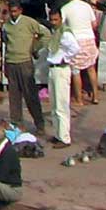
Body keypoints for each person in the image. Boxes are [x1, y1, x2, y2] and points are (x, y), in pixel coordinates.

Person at [1, 3, 47, 130]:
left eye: (15, 11)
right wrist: (5, 64)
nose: (13, 14)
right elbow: (6, 44)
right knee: (14, 96)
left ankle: (39, 123)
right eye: (11, 11)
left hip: (25, 62)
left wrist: (35, 48)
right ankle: (16, 124)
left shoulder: (29, 22)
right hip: (11, 62)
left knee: (30, 94)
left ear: (20, 10)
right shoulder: (6, 25)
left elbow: (45, 35)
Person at [41, 9, 78, 144]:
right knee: (54, 105)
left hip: (61, 70)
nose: (53, 23)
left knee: (61, 105)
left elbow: (75, 48)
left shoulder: (65, 33)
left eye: (56, 20)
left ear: (61, 19)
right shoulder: (55, 33)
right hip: (53, 69)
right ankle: (58, 134)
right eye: (51, 20)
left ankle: (64, 138)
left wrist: (65, 58)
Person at [59, 0, 100, 105]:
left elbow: (61, 27)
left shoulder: (65, 8)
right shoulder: (86, 6)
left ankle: (79, 99)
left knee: (76, 71)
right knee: (91, 68)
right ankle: (95, 96)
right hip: (89, 39)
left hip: (75, 41)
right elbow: (94, 24)